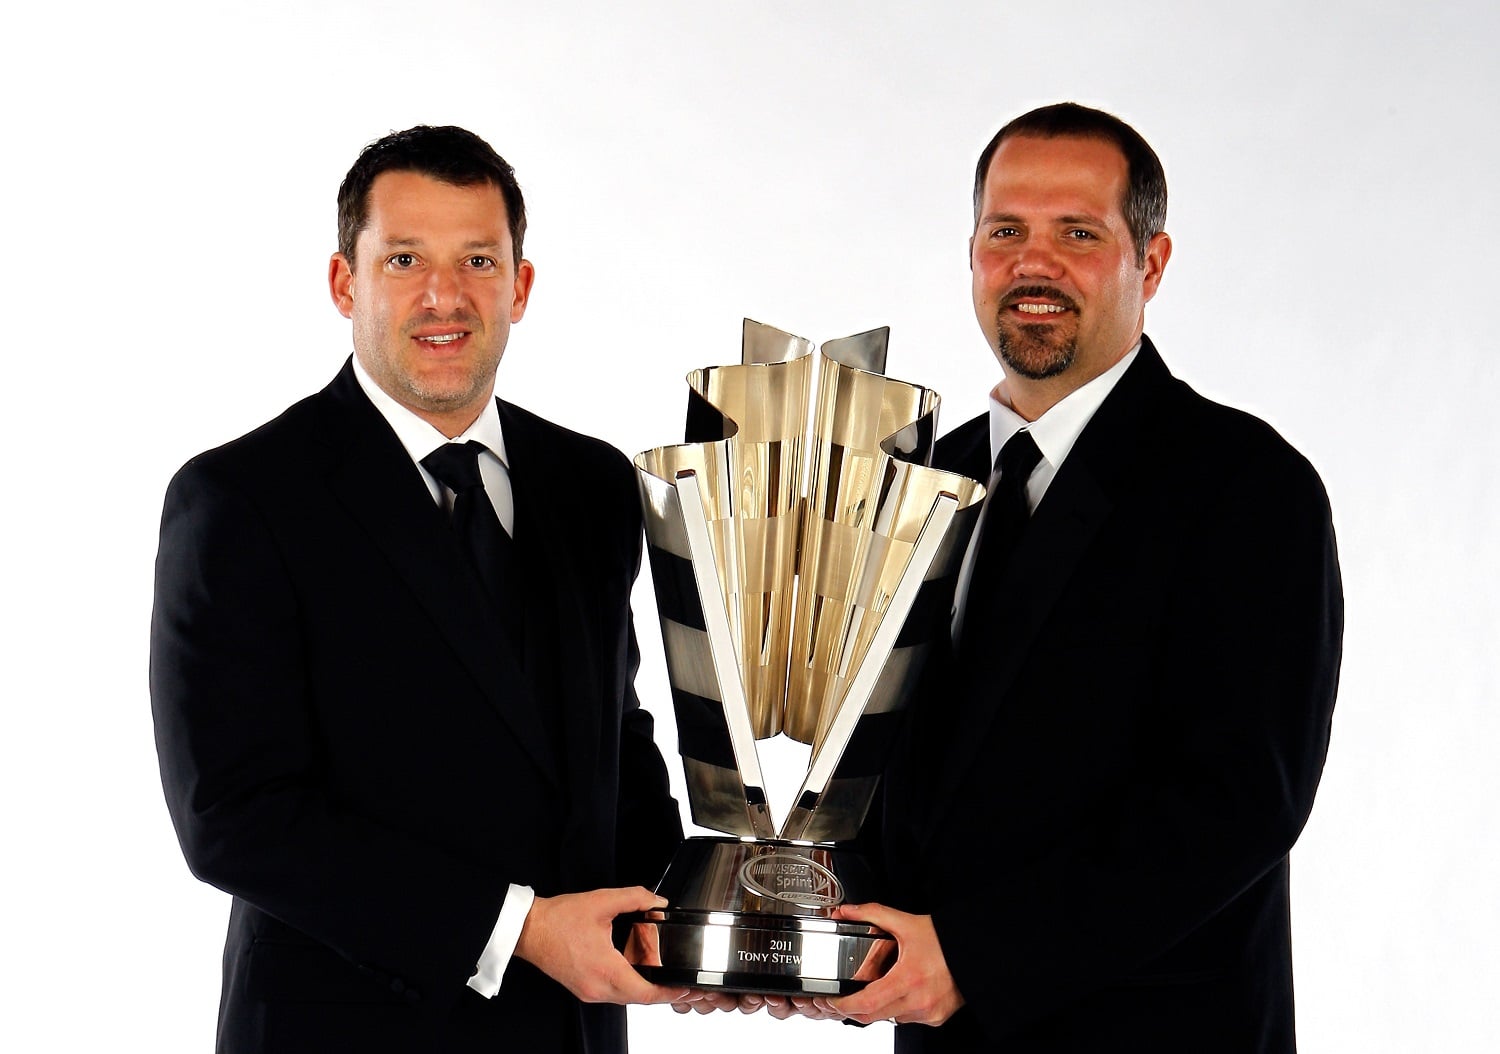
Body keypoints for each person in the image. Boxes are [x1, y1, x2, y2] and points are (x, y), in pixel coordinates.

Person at [150, 125, 689, 1054]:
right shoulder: (243, 497)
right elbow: (233, 815)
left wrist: (694, 915)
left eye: (478, 259)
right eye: (405, 259)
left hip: (570, 1035)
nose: (445, 296)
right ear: (344, 283)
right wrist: (516, 929)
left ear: (519, 286)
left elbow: (611, 742)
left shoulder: (592, 484)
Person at [821, 103, 1344, 1050]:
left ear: (1151, 262)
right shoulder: (920, 478)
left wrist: (975, 958)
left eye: (1078, 234)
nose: (1034, 264)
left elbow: (1236, 804)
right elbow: (902, 762)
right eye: (1005, 231)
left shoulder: (1246, 485)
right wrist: (809, 910)